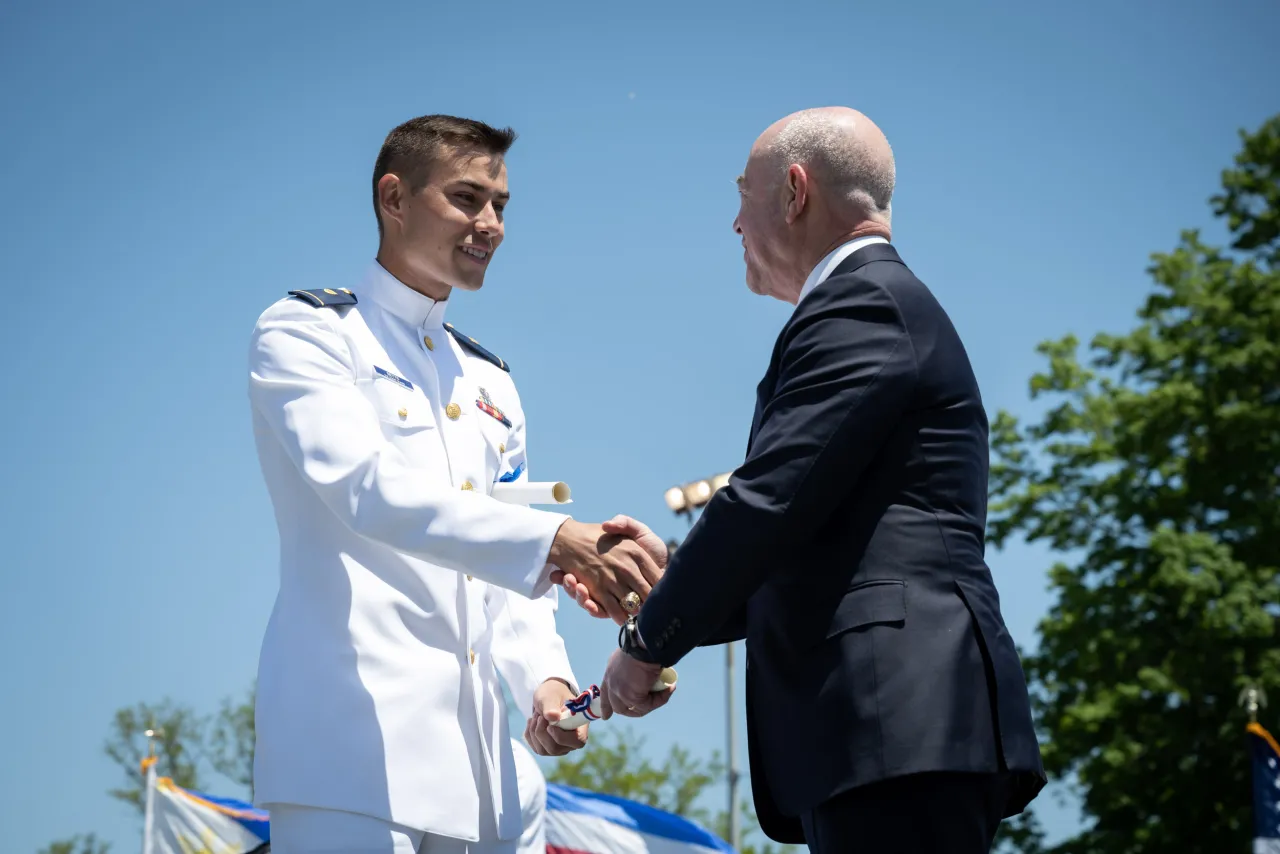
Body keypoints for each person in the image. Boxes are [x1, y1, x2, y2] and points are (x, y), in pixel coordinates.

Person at [568, 107, 1047, 853]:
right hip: (887, 733)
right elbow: (811, 535)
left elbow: (764, 504)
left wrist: (646, 640)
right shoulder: (872, 306)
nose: (733, 224)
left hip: (896, 723)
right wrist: (662, 582)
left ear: (794, 191)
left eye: (742, 195)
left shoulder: (862, 304)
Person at [246, 114, 663, 853]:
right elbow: (369, 491)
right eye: (468, 198)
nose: (491, 223)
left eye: (501, 204)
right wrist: (561, 540)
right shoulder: (306, 334)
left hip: (489, 783)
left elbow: (503, 570)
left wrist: (546, 682)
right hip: (350, 764)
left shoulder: (490, 380)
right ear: (394, 198)